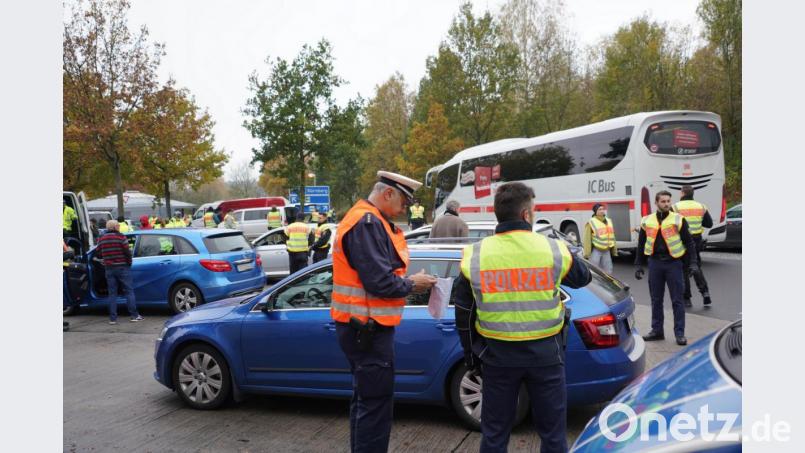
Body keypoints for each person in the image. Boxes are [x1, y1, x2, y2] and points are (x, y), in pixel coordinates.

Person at [454, 182, 591, 453]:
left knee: (494, 434)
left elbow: (464, 312)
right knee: (553, 435)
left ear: (498, 214)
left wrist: (472, 356)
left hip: (497, 357)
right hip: (546, 357)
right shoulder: (552, 249)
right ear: (527, 215)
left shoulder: (476, 254)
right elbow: (583, 277)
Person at [331, 170, 438, 453]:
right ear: (387, 193)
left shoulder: (368, 219)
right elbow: (379, 281)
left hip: (362, 327)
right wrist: (412, 284)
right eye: (404, 201)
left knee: (367, 401)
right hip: (367, 329)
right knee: (375, 406)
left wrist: (406, 282)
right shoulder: (367, 222)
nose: (406, 208)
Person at [635, 190, 697, 346]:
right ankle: (657, 331)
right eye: (663, 201)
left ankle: (679, 333)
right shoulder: (647, 220)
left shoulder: (678, 219)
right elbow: (641, 243)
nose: (666, 204)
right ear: (656, 203)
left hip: (673, 264)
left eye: (668, 201)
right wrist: (638, 264)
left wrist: (693, 263)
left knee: (677, 300)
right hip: (655, 263)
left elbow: (689, 243)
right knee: (656, 300)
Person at [671, 185, 713, 307]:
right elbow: (709, 224)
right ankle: (705, 293)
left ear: (683, 193)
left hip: (681, 241)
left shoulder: (676, 207)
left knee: (684, 270)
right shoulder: (701, 206)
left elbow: (672, 224)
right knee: (696, 266)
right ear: (692, 194)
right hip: (696, 240)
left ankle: (687, 299)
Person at [97, 220, 143, 325]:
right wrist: (129, 262)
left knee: (112, 294)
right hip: (122, 267)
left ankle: (113, 319)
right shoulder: (121, 237)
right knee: (129, 291)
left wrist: (106, 257)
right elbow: (127, 252)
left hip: (109, 268)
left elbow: (98, 251)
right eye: (118, 225)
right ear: (114, 227)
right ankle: (134, 316)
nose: (119, 227)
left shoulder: (102, 238)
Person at [582, 203, 618, 274]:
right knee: (593, 271)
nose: (602, 211)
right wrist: (586, 254)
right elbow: (587, 240)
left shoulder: (609, 221)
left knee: (608, 271)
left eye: (603, 209)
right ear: (595, 211)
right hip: (596, 250)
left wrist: (614, 250)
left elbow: (612, 237)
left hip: (606, 250)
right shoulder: (591, 222)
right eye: (599, 209)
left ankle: (607, 284)